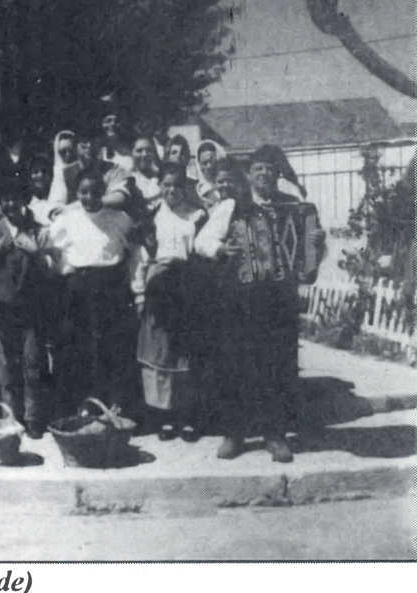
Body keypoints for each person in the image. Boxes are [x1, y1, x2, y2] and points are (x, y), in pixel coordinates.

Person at [194, 149, 325, 462]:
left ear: (277, 174)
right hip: (240, 300)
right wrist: (221, 249)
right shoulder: (232, 206)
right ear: (249, 175)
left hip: (280, 299)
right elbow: (201, 242)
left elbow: (310, 250)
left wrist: (316, 247)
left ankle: (275, 434)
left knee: (277, 366)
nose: (264, 174)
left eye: (269, 169)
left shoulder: (295, 207)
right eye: (258, 169)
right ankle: (234, 434)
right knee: (236, 365)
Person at [48, 168, 141, 414]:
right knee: (82, 347)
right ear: (76, 193)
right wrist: (67, 272)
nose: (89, 197)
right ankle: (86, 403)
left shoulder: (119, 218)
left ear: (103, 192)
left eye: (95, 192)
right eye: (83, 192)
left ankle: (115, 403)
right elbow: (53, 250)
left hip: (111, 289)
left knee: (113, 346)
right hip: (79, 290)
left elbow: (132, 252)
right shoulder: (67, 219)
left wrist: (136, 288)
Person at [134, 163, 208, 442]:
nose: (172, 190)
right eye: (166, 185)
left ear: (185, 187)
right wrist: (140, 293)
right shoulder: (151, 216)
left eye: (177, 185)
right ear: (160, 186)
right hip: (157, 289)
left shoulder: (196, 216)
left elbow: (202, 252)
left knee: (185, 352)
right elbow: (141, 259)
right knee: (160, 353)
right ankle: (164, 417)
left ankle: (186, 416)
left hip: (187, 287)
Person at [0, 179, 54, 438]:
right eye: (5, 200)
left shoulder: (37, 230)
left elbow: (51, 268)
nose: (10, 204)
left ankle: (34, 418)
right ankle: (13, 417)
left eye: (15, 199)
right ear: (0, 204)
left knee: (33, 363)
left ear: (23, 200)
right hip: (2, 308)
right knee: (7, 365)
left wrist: (36, 253)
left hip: (31, 308)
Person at [130, 135, 161, 214]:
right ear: (131, 153)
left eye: (149, 150)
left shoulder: (162, 177)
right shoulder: (126, 178)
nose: (144, 154)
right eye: (139, 151)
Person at [27, 155, 59, 226]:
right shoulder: (31, 209)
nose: (40, 175)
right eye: (35, 172)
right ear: (30, 178)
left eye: (44, 171)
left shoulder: (60, 194)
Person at [195, 141, 223, 209]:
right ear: (199, 165)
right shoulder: (196, 191)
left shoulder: (226, 186)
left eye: (212, 161)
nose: (209, 166)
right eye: (204, 163)